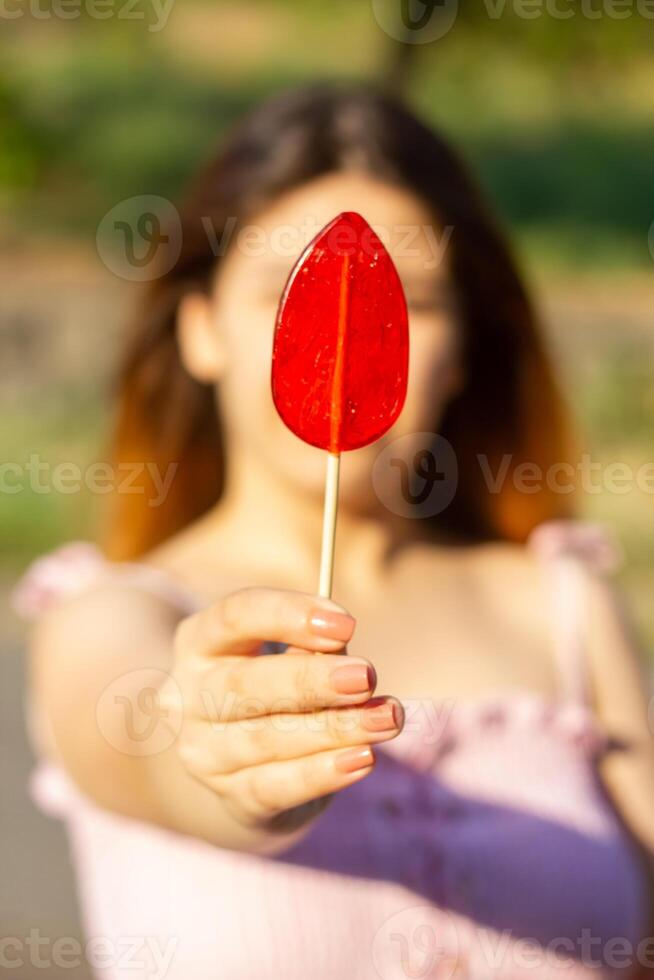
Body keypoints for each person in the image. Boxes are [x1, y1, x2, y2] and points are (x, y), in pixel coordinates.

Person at [15, 84, 654, 979]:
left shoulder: (562, 604)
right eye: (289, 291)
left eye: (414, 300)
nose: (347, 335)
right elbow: (147, 742)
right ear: (201, 331)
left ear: (465, 349)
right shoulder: (107, 616)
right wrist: (226, 769)